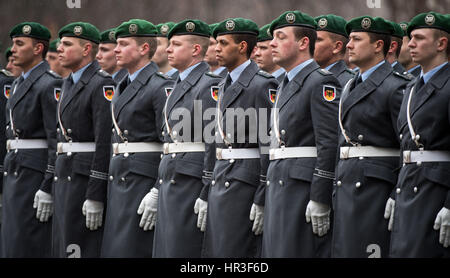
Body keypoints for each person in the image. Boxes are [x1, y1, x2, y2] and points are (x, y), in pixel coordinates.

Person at [261, 11, 340, 258]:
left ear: (304, 43)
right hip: (280, 182)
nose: (272, 43)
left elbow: (328, 143)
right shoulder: (284, 82)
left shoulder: (319, 82)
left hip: (300, 188)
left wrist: (320, 197)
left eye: (280, 37)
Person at [332, 16, 411, 258]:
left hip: (375, 187)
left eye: (356, 39)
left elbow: (406, 147)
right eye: (349, 39)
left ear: (378, 46)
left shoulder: (395, 86)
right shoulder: (349, 86)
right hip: (347, 180)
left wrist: (396, 193)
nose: (348, 45)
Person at [202, 18, 278, 258]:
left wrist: (262, 194)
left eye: (223, 43)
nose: (216, 49)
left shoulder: (261, 84)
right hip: (223, 175)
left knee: (235, 250)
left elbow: (268, 144)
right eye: (216, 43)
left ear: (243, 47)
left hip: (245, 180)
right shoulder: (225, 82)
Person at [100, 19, 173, 258]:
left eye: (123, 44)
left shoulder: (159, 86)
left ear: (144, 49)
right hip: (120, 175)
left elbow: (169, 143)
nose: (115, 50)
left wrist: (156, 190)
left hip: (142, 179)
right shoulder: (121, 84)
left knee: (132, 247)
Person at [151, 19, 221, 258]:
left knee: (182, 249)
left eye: (176, 44)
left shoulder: (208, 85)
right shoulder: (175, 84)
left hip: (190, 181)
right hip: (171, 176)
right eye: (169, 44)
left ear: (195, 50)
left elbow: (213, 142)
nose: (168, 49)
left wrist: (206, 189)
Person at [388, 12, 450, 258]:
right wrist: (395, 192)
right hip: (409, 186)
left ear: (441, 44)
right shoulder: (411, 86)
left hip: (435, 191)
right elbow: (404, 146)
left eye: (418, 38)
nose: (410, 44)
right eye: (409, 38)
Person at [53, 22, 114, 258]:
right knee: (62, 243)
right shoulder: (68, 82)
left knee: (80, 244)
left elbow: (103, 141)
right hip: (65, 172)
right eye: (60, 44)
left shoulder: (101, 83)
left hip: (83, 176)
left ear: (87, 49)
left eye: (67, 44)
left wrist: (95, 193)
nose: (60, 49)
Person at [2, 22, 62, 257]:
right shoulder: (17, 83)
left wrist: (47, 184)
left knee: (28, 240)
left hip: (33, 172)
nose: (13, 49)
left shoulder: (49, 83)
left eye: (19, 44)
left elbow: (54, 139)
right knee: (11, 239)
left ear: (38, 49)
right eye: (13, 43)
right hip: (15, 167)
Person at [314, 14, 355, 87]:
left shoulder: (351, 83)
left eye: (317, 40)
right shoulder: (309, 77)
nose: (310, 44)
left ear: (337, 47)